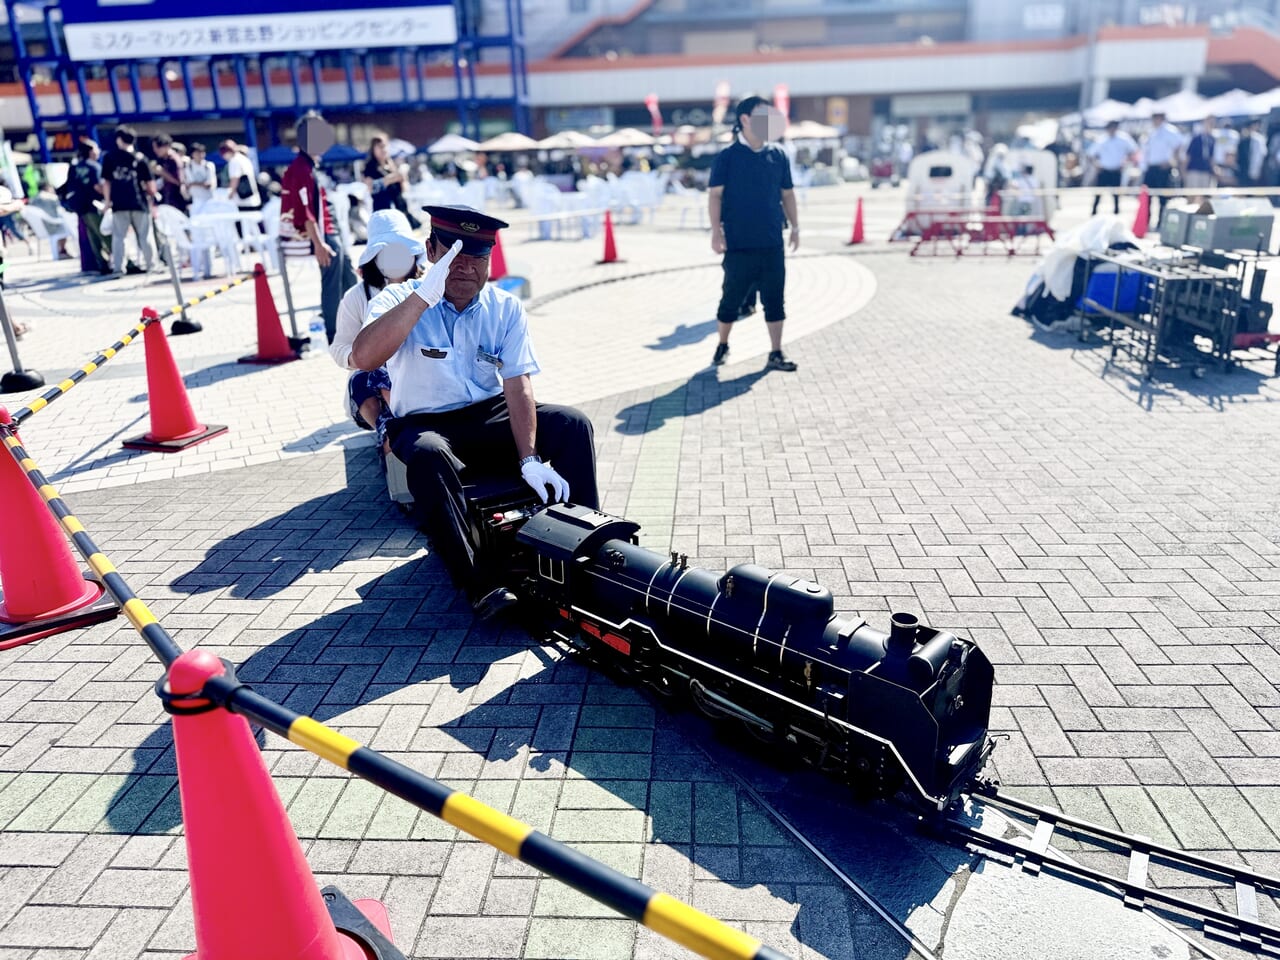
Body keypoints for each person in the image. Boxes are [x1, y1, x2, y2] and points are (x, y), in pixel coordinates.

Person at [351, 204, 599, 620]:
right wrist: (422, 298)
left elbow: (518, 382)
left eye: (477, 257)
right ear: (431, 250)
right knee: (427, 455)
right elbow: (363, 356)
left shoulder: (504, 307)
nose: (465, 267)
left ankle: (588, 543)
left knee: (572, 423)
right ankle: (479, 582)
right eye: (453, 254)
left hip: (489, 414)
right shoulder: (397, 299)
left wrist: (530, 458)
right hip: (427, 423)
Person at [707, 95, 800, 372]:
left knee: (775, 300)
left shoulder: (778, 155)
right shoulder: (727, 157)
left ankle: (776, 352)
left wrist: (796, 227)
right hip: (739, 243)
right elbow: (715, 196)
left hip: (772, 242)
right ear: (745, 119)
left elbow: (788, 194)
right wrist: (715, 232)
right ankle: (723, 344)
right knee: (731, 299)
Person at [331, 209, 425, 454]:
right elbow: (339, 346)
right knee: (363, 378)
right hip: (376, 386)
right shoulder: (356, 297)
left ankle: (402, 428)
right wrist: (363, 358)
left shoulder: (427, 286)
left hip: (423, 373)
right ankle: (387, 430)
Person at [280, 114, 356, 344]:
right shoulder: (302, 169)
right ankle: (334, 334)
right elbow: (305, 211)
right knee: (333, 283)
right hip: (322, 234)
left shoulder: (308, 166)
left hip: (327, 231)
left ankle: (358, 322)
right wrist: (318, 243)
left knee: (349, 278)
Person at [100, 125, 156, 275]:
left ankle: (119, 268)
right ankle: (151, 265)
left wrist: (107, 202)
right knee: (144, 236)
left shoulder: (110, 157)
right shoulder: (141, 158)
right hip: (139, 202)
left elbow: (106, 182)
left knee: (119, 237)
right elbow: (150, 185)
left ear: (119, 139)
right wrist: (152, 200)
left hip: (119, 203)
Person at [60, 139, 110, 273]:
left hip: (80, 207)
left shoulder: (75, 167)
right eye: (96, 148)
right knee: (105, 234)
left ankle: (101, 264)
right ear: (90, 151)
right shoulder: (94, 167)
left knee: (93, 236)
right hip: (95, 205)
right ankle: (119, 262)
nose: (98, 150)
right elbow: (98, 186)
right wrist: (109, 198)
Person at [362, 135, 417, 226]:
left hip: (400, 208)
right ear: (373, 149)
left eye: (385, 146)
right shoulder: (370, 166)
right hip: (383, 210)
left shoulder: (391, 164)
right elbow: (371, 187)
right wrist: (394, 177)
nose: (383, 149)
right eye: (380, 146)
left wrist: (403, 177)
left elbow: (404, 188)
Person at [1140, 111, 1182, 229]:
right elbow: (1145, 150)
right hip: (1151, 167)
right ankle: (1146, 221)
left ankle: (1161, 222)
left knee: (1162, 197)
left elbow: (1178, 146)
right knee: (1147, 196)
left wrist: (1171, 162)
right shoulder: (1150, 132)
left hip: (1163, 168)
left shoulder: (1170, 131)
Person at [1087, 120, 1137, 215]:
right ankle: (1094, 211)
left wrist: (1126, 163)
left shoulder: (1124, 139)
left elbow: (1133, 151)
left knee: (1116, 194)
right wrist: (1096, 165)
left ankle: (1116, 212)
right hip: (1104, 170)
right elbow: (1090, 154)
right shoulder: (1102, 140)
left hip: (1116, 170)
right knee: (1098, 193)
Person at [219, 139, 261, 213]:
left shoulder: (234, 161)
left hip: (243, 201)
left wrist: (229, 196)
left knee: (244, 223)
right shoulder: (244, 159)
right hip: (253, 199)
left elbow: (235, 179)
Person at [152, 134, 187, 211]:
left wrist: (162, 173)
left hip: (176, 201)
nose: (155, 150)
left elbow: (180, 182)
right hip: (168, 200)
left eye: (157, 147)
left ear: (166, 146)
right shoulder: (164, 159)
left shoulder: (174, 160)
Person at [1183, 116, 1217, 191]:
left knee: (1204, 195)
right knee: (1193, 193)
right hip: (1194, 170)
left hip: (1206, 171)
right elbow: (1188, 155)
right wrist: (1184, 171)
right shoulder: (1196, 138)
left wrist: (1214, 170)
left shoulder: (1212, 139)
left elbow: (1211, 157)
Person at [184, 143, 217, 212]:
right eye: (197, 153)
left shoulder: (209, 165)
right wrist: (201, 184)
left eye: (202, 153)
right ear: (192, 154)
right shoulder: (188, 167)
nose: (200, 155)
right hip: (195, 200)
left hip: (209, 199)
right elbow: (189, 184)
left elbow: (209, 184)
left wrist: (194, 184)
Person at [1237, 121, 1267, 189]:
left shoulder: (1259, 139)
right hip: (1245, 171)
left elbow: (1261, 155)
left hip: (1257, 171)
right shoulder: (1244, 141)